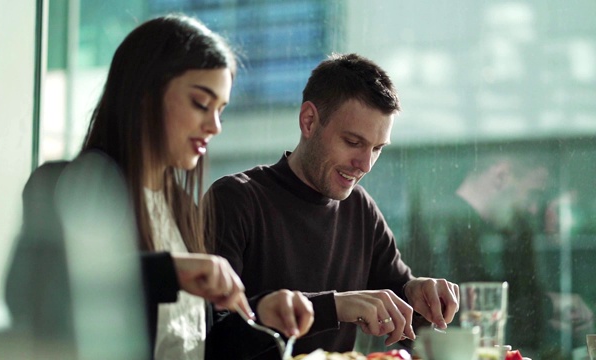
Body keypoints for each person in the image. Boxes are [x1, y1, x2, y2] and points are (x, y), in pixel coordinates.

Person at [4, 14, 313, 360]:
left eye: (220, 111)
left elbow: (195, 345)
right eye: (200, 103)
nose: (214, 126)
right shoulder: (67, 185)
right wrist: (171, 271)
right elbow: (46, 294)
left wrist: (261, 312)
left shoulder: (182, 208)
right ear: (144, 93)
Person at [205, 53, 460, 358]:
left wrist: (418, 293)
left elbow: (401, 296)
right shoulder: (235, 200)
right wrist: (334, 306)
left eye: (377, 148)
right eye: (353, 142)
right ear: (309, 121)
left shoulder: (361, 209)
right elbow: (211, 335)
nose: (365, 164)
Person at [406, 154, 593, 359]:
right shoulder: (446, 228)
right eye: (531, 195)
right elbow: (469, 305)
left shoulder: (491, 230)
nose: (532, 208)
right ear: (500, 176)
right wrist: (547, 307)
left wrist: (549, 304)